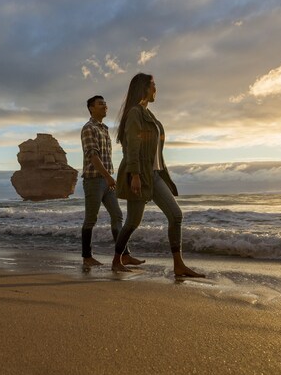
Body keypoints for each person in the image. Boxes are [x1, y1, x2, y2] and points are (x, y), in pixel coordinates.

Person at [111, 74, 204, 278]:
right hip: (140, 175)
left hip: (154, 175)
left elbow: (156, 153)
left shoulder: (149, 115)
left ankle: (178, 265)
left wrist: (165, 177)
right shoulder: (135, 113)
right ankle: (117, 260)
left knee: (176, 215)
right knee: (132, 222)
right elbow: (132, 146)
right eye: (153, 85)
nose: (156, 89)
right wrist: (134, 174)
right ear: (144, 88)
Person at [80, 95, 144, 269]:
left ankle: (124, 255)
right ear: (91, 108)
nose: (105, 106)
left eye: (106, 103)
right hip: (94, 180)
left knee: (117, 216)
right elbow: (93, 156)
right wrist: (108, 176)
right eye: (101, 104)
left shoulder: (104, 129)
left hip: (107, 181)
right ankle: (87, 257)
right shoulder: (88, 128)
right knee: (90, 220)